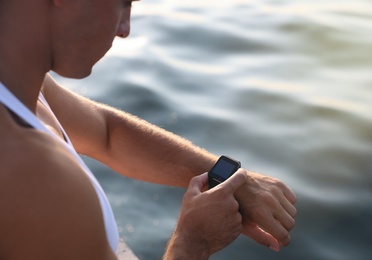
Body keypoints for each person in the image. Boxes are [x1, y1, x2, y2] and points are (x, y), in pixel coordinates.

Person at [0, 0, 297, 259]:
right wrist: (193, 243)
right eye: (124, 3)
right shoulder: (35, 176)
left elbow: (107, 134)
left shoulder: (23, 85)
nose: (125, 28)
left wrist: (225, 178)